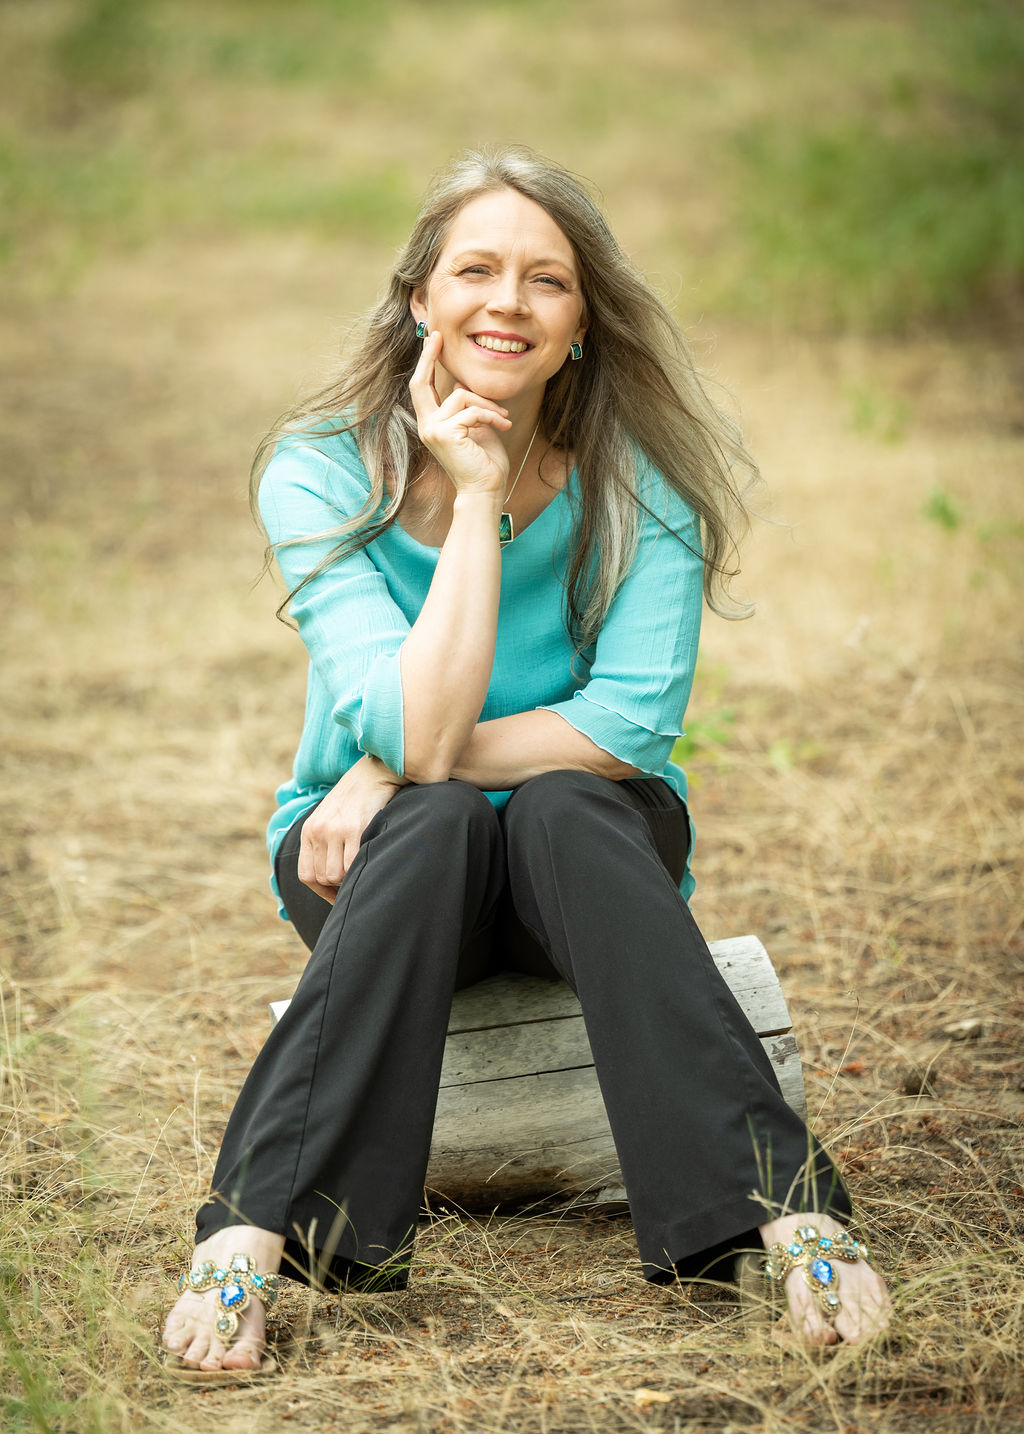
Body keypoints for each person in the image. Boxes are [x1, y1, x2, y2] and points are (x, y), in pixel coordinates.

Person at [162, 146, 891, 1380]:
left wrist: (384, 767)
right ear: (420, 303)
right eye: (475, 271)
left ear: (581, 323)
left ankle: (789, 1213)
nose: (507, 301)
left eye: (544, 281)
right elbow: (424, 729)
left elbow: (622, 734)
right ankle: (252, 1236)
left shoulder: (638, 481)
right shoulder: (322, 470)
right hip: (371, 868)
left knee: (557, 806)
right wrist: (477, 497)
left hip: (577, 854)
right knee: (445, 824)